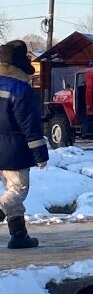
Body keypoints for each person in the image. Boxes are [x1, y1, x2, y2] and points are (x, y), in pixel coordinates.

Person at [0, 40, 49, 249]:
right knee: (17, 190)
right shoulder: (20, 89)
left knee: (11, 191)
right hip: (13, 149)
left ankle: (19, 235)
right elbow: (30, 124)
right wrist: (40, 154)